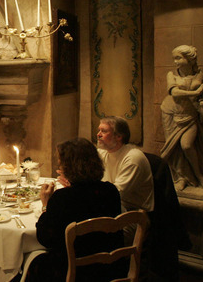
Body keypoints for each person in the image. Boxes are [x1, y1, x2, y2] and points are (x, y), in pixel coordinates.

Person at [29, 138, 124, 281]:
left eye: (61, 164)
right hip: (110, 267)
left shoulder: (62, 198)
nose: (60, 168)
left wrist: (46, 205)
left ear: (69, 167)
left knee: (32, 261)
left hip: (75, 272)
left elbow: (45, 239)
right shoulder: (110, 191)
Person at [160, 45, 203, 191]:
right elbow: (174, 92)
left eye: (178, 58)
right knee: (175, 149)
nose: (175, 61)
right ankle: (181, 178)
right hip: (170, 113)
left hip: (190, 115)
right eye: (174, 58)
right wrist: (195, 92)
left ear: (189, 59)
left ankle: (198, 175)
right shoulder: (171, 75)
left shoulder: (199, 75)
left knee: (187, 145)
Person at [97, 116, 154, 214]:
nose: (98, 135)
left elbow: (116, 194)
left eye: (104, 131)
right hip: (111, 205)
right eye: (99, 130)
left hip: (133, 214)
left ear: (119, 136)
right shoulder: (101, 153)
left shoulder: (133, 158)